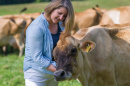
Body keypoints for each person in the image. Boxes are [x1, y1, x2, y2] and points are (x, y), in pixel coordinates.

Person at [23, 0, 74, 86]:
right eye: (59, 13)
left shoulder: (61, 25)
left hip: (53, 74)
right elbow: (38, 58)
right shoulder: (36, 27)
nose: (61, 18)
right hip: (37, 75)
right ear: (52, 8)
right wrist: (61, 71)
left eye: (64, 16)